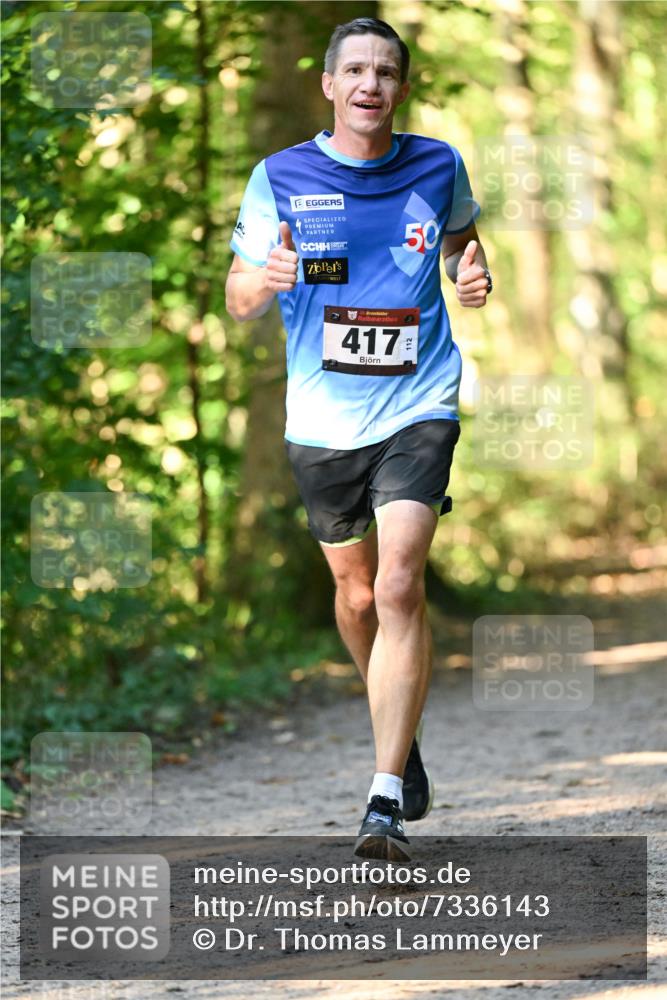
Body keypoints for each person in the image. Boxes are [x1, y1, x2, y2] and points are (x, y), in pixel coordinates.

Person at [226, 17, 491, 861]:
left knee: (400, 584)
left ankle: (381, 801)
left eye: (386, 71)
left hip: (419, 401)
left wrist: (471, 270)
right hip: (323, 419)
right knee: (355, 594)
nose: (371, 84)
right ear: (331, 87)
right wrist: (260, 281)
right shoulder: (280, 176)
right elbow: (236, 296)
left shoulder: (437, 163)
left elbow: (459, 243)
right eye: (355, 71)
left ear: (400, 89)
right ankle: (398, 729)